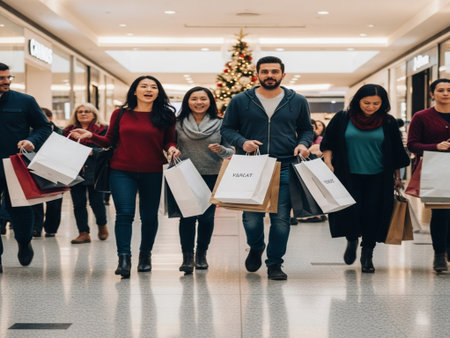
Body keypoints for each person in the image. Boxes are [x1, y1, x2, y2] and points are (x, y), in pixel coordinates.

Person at [70, 75, 180, 278]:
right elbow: (109, 140)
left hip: (153, 171)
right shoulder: (120, 113)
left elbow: (169, 140)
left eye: (153, 87)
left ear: (158, 92)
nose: (149, 89)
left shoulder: (165, 115)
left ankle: (145, 256)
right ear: (135, 91)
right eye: (144, 86)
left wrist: (172, 148)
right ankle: (124, 258)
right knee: (124, 214)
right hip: (121, 170)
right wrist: (91, 136)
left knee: (148, 216)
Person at [221, 56, 314, 280]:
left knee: (281, 220)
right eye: (265, 72)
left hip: (284, 166)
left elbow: (306, 130)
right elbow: (227, 129)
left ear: (283, 74)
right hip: (252, 166)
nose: (269, 75)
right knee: (251, 220)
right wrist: (242, 142)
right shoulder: (241, 100)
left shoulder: (297, 101)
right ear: (258, 74)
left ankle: (275, 263)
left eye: (274, 71)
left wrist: (303, 144)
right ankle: (256, 247)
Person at [320, 84, 410, 273]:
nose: (370, 107)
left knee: (373, 214)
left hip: (379, 177)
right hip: (347, 175)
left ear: (383, 103)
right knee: (350, 212)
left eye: (376, 103)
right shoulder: (343, 118)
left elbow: (395, 152)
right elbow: (328, 142)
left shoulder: (388, 122)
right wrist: (328, 163)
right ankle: (352, 239)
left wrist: (397, 177)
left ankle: (367, 254)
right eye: (366, 102)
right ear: (358, 101)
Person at [176, 87, 234, 274]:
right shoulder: (178, 123)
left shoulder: (220, 123)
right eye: (194, 98)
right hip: (185, 173)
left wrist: (221, 150)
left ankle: (201, 254)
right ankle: (187, 257)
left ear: (210, 101)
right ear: (187, 101)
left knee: (207, 218)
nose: (199, 102)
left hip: (212, 174)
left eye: (203, 98)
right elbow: (169, 144)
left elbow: (231, 150)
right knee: (187, 217)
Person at [0, 62, 52, 273]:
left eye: (8, 77)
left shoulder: (25, 101)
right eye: (2, 78)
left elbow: (44, 127)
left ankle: (23, 241)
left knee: (20, 207)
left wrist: (32, 140)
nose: (6, 81)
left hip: (15, 162)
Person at [407, 78, 450, 272]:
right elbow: (412, 145)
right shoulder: (422, 117)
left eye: (449, 90)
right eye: (440, 90)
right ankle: (439, 255)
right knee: (440, 213)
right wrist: (436, 147)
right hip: (436, 170)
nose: (446, 93)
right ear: (432, 94)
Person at [64, 103, 109, 244]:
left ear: (94, 114)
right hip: (75, 170)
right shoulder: (68, 131)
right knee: (78, 204)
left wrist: (92, 151)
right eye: (80, 112)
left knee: (97, 202)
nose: (83, 114)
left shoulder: (103, 130)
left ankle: (102, 226)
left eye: (87, 111)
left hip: (96, 171)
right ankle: (83, 233)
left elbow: (109, 148)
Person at [32, 107, 64, 238]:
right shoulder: (31, 132)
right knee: (35, 201)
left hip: (55, 170)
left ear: (50, 118)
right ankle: (36, 228)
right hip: (34, 168)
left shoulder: (60, 132)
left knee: (54, 202)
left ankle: (51, 228)